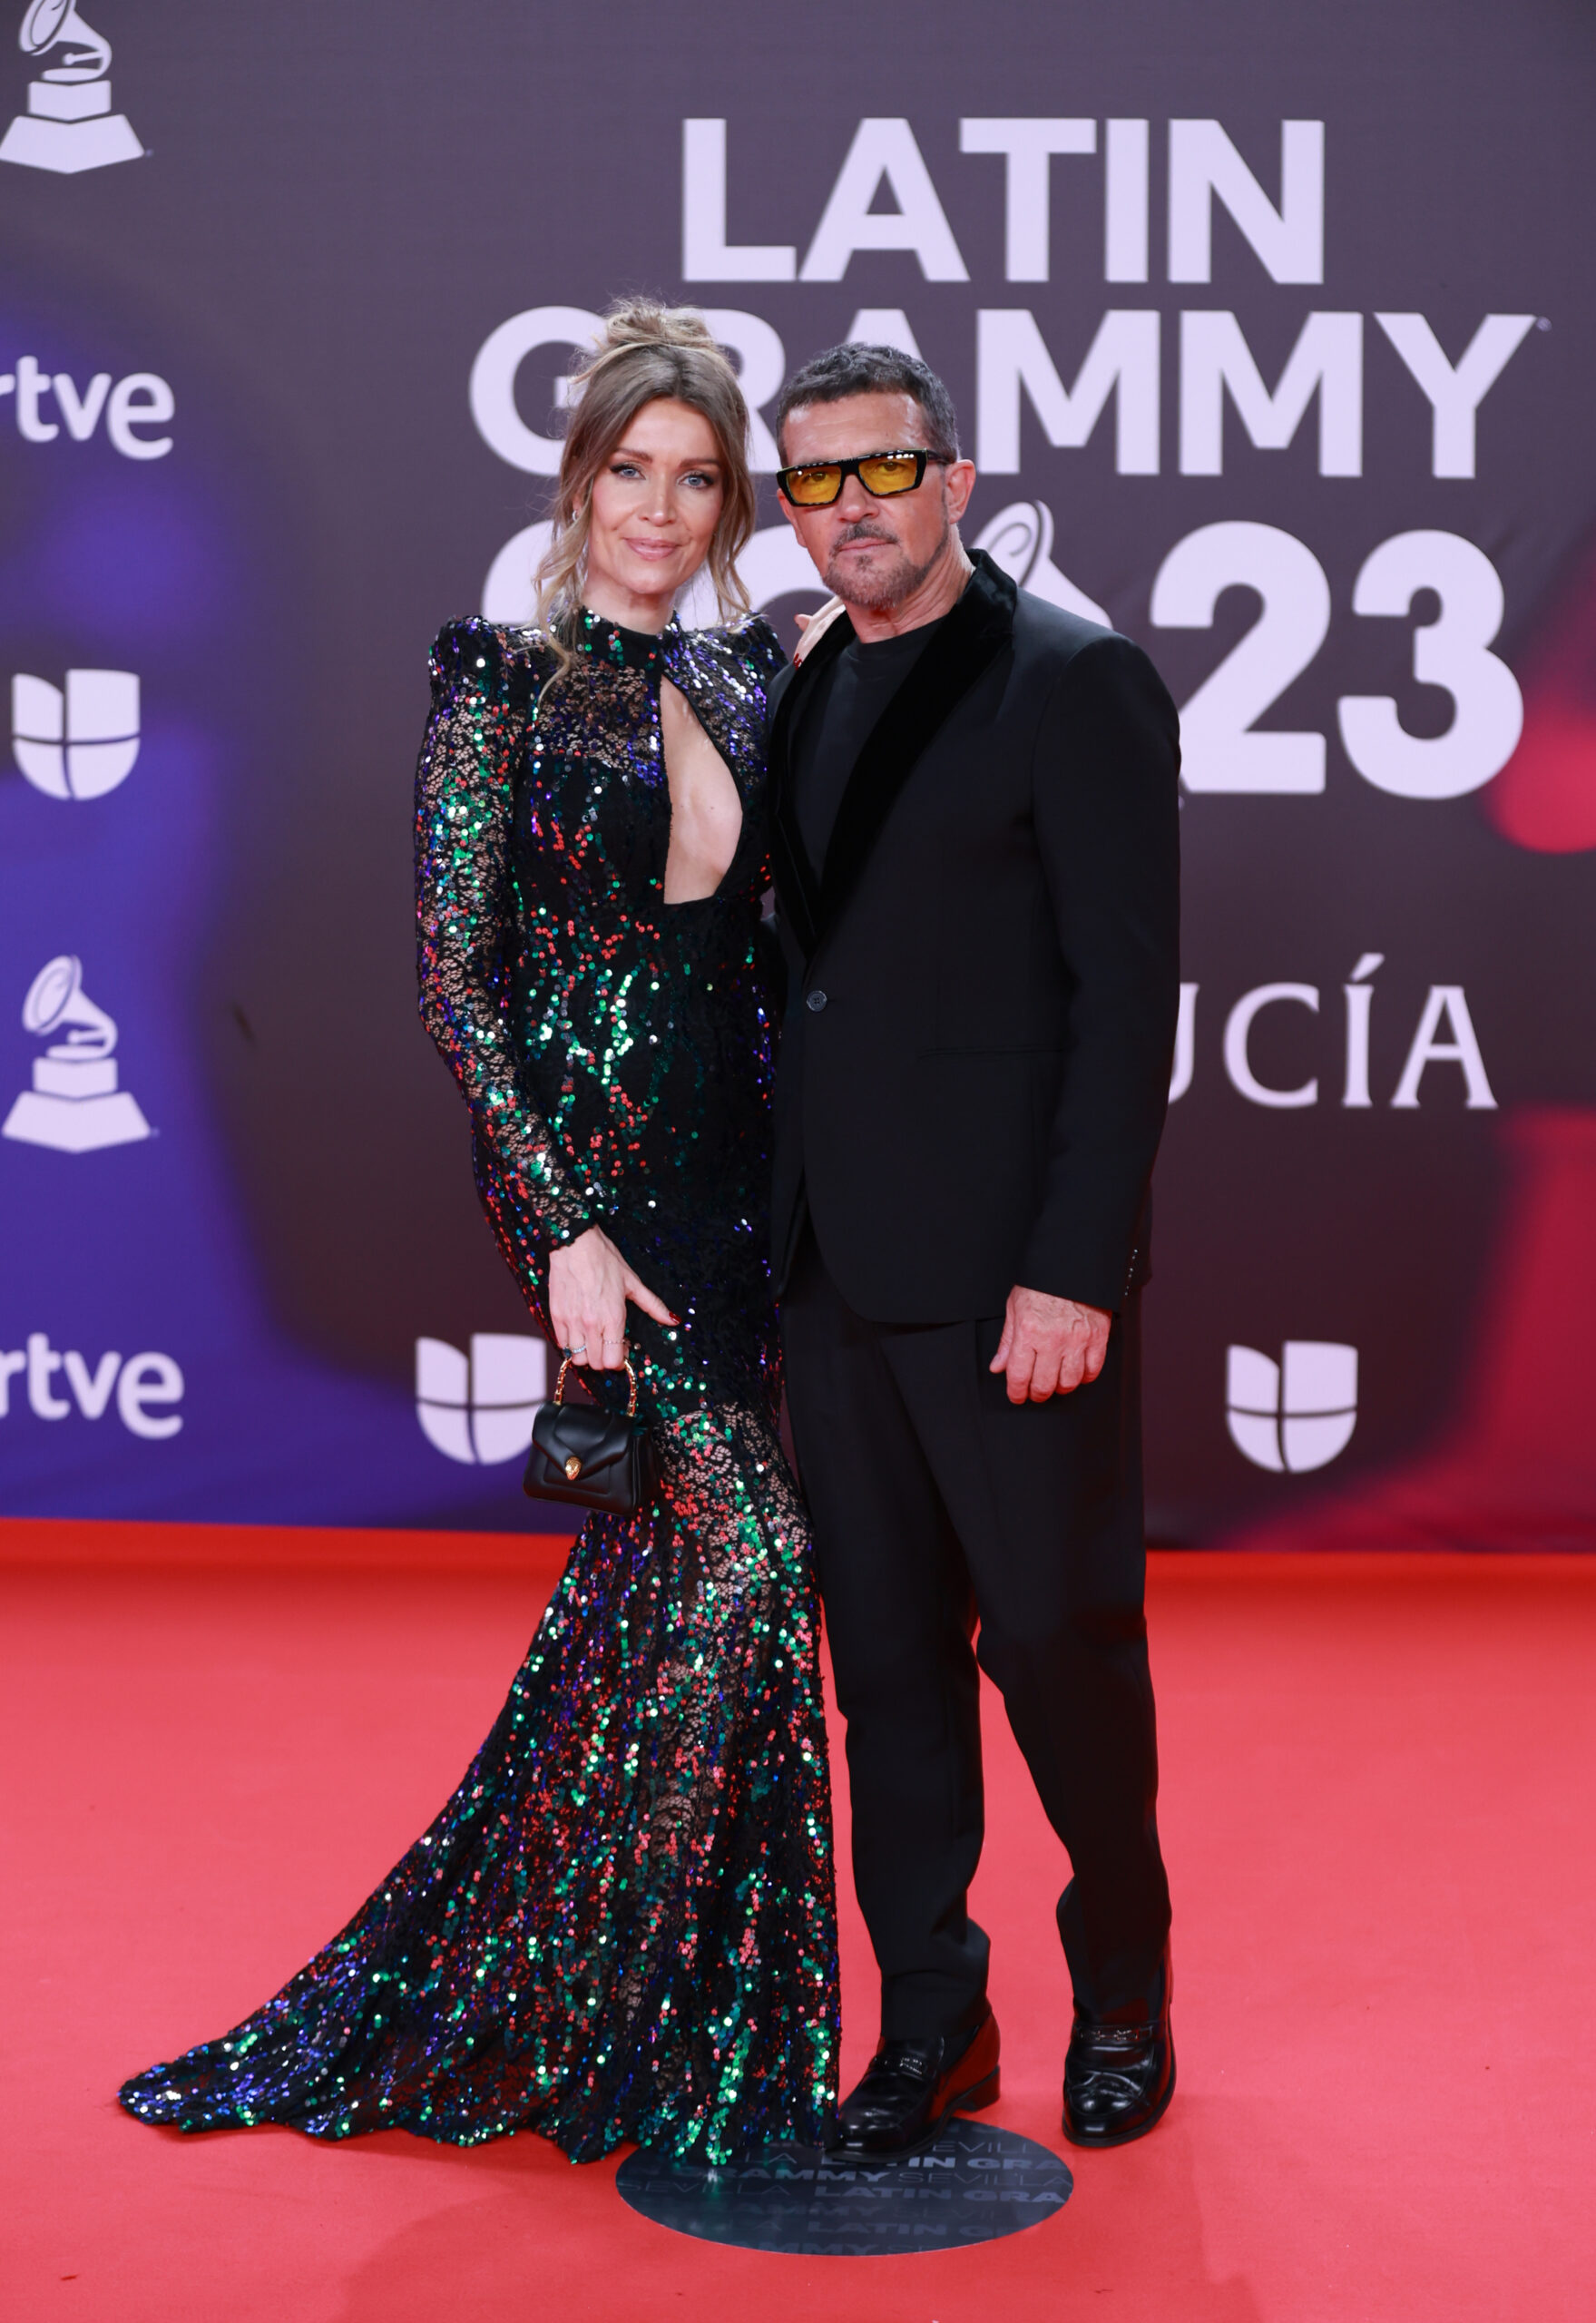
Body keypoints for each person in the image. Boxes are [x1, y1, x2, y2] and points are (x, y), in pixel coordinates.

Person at [118, 301, 838, 2166]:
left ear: (728, 497)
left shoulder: (761, 676)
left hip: (745, 1176)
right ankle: (625, 2002)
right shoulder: (499, 683)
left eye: (696, 479)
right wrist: (562, 1225)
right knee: (750, 1567)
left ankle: (636, 1996)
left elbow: (786, 944)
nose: (661, 511)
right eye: (632, 474)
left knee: (668, 1594)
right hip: (599, 1183)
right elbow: (458, 975)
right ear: (578, 481)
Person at [766, 343, 1180, 2157]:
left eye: (880, 471)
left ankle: (1126, 1988)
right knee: (888, 1676)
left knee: (1059, 1645)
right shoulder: (803, 686)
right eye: (812, 484)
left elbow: (1123, 1000)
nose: (848, 511)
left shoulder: (1071, 680)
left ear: (954, 471)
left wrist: (1076, 1265)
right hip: (832, 1276)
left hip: (1012, 1287)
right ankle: (933, 2012)